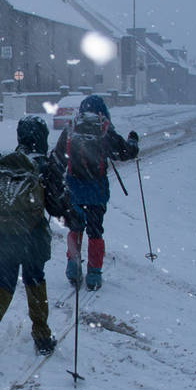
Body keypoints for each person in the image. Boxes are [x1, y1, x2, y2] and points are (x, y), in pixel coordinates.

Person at [0, 116, 64, 373]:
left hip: (1, 238)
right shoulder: (44, 165)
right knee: (35, 283)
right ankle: (43, 336)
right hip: (32, 238)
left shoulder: (3, 162)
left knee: (2, 286)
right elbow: (57, 207)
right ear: (43, 138)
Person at [53, 94, 139, 291]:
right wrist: (133, 141)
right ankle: (94, 274)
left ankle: (73, 267)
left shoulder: (71, 129)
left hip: (73, 190)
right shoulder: (104, 131)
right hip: (96, 192)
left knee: (75, 228)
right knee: (95, 231)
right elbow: (125, 152)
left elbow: (58, 158)